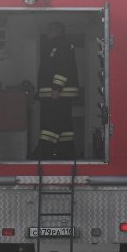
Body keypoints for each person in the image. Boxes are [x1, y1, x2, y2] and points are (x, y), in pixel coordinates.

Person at [35, 21, 79, 160]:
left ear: (59, 31)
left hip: (58, 94)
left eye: (50, 29)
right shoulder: (55, 46)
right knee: (64, 125)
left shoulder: (63, 46)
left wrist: (56, 88)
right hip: (57, 94)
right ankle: (66, 152)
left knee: (51, 123)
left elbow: (63, 68)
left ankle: (45, 152)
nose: (47, 32)